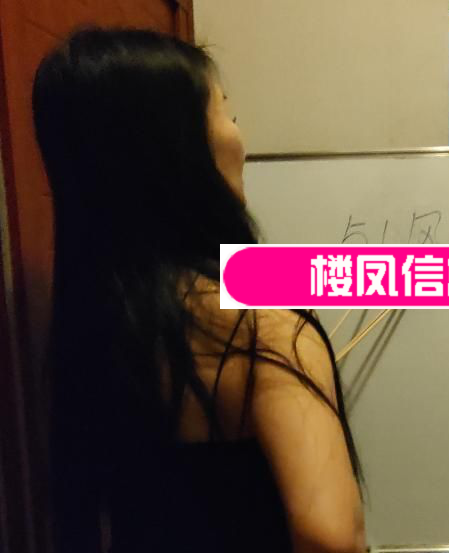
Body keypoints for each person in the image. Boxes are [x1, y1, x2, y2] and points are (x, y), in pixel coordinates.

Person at [32, 26, 365, 553]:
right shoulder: (260, 326)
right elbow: (330, 536)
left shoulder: (89, 324)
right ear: (180, 147)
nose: (239, 134)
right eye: (226, 112)